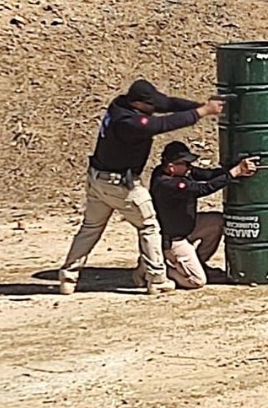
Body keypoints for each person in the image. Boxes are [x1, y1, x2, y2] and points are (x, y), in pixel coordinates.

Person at [57, 79, 224, 296]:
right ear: (138, 104)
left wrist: (200, 105)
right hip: (119, 184)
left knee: (90, 229)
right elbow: (163, 124)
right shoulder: (128, 123)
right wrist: (202, 111)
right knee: (149, 226)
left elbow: (167, 104)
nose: (154, 108)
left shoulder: (121, 104)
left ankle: (68, 277)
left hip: (98, 179)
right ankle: (156, 278)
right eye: (149, 105)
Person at [149, 140, 258, 289]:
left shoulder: (176, 171)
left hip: (187, 227)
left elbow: (208, 175)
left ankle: (198, 263)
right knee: (196, 281)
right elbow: (204, 188)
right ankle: (160, 270)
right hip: (173, 240)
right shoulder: (166, 184)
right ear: (171, 166)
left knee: (216, 221)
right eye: (185, 164)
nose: (189, 167)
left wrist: (234, 169)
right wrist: (235, 172)